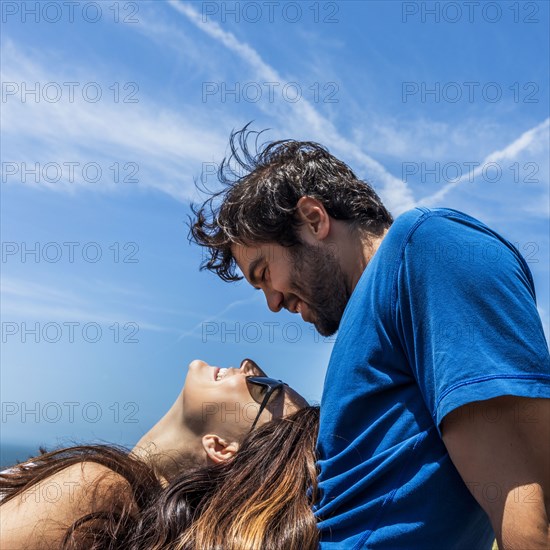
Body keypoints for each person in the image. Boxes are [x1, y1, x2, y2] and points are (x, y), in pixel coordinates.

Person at [190, 124, 550, 549]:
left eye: (264, 274)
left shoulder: (428, 248)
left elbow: (530, 513)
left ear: (313, 218)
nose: (272, 302)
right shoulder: (376, 312)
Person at [0, 358, 319, 549]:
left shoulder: (100, 491)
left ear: (222, 447)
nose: (247, 367)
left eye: (262, 385)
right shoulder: (118, 500)